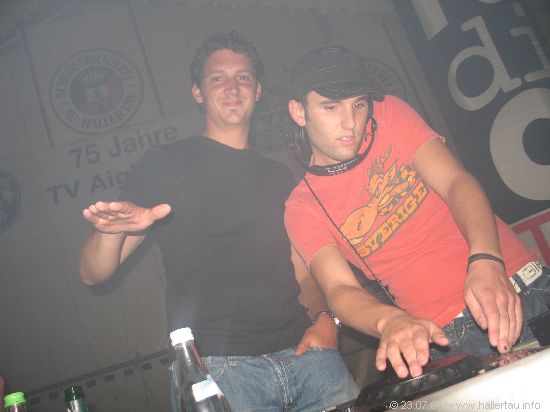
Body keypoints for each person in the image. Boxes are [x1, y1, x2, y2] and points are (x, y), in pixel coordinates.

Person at [79, 32, 358, 411]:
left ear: (257, 90)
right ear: (198, 92)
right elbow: (93, 274)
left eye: (243, 77)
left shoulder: (279, 175)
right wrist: (110, 231)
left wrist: (325, 319)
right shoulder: (166, 163)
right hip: (221, 373)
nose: (232, 87)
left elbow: (302, 273)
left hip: (308, 358)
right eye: (217, 78)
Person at [284, 44, 550, 379]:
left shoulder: (389, 114)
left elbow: (455, 182)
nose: (350, 123)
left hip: (520, 284)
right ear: (299, 112)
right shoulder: (302, 207)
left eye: (358, 104)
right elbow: (339, 289)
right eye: (330, 107)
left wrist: (486, 258)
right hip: (448, 337)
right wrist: (389, 320)